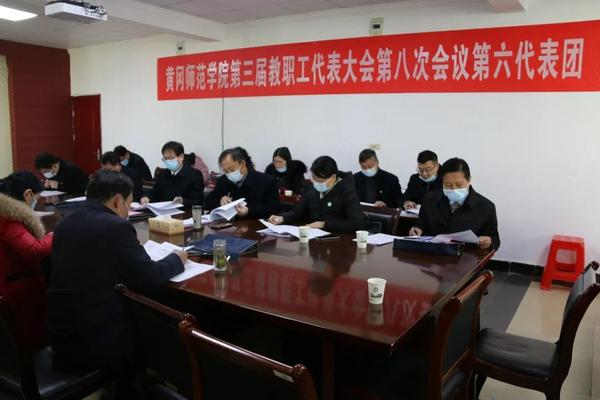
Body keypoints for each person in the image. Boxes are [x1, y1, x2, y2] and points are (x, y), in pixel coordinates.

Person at [47, 170, 185, 373]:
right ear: (118, 200)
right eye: (129, 203)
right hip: (98, 338)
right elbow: (149, 276)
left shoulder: (64, 222)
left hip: (62, 333)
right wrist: (177, 259)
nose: (128, 210)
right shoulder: (115, 225)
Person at [0, 171, 53, 347]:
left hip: (13, 282)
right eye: (37, 197)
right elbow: (34, 250)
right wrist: (54, 236)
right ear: (28, 194)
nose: (35, 202)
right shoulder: (8, 220)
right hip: (19, 289)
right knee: (29, 339)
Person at [409, 157, 500, 250]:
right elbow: (421, 224)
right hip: (434, 253)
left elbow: (495, 240)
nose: (454, 189)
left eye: (459, 185)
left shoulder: (486, 206)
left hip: (467, 256)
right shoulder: (430, 200)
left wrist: (489, 242)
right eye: (448, 185)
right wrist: (417, 229)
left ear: (469, 180)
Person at [268, 156, 365, 233]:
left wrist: (324, 224)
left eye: (320, 180)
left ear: (333, 177)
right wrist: (283, 217)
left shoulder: (347, 192)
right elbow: (298, 212)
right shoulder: (311, 189)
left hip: (339, 241)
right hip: (313, 238)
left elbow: (357, 223)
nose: (316, 182)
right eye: (314, 178)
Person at [205, 147, 280, 219]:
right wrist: (220, 200)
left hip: (255, 224)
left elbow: (274, 208)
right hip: (229, 225)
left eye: (232, 170)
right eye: (226, 171)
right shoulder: (223, 180)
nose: (229, 174)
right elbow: (209, 201)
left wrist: (249, 211)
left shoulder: (266, 181)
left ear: (243, 164)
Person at [140, 141, 204, 207]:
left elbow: (198, 201)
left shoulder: (195, 175)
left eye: (170, 158)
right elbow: (155, 192)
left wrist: (183, 201)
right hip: (163, 211)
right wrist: (147, 197)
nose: (167, 161)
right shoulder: (162, 174)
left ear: (181, 157)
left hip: (185, 211)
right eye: (165, 159)